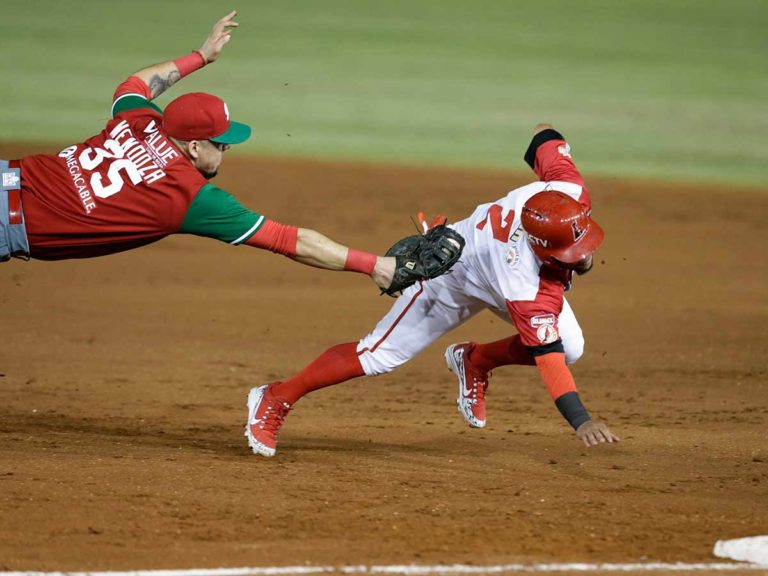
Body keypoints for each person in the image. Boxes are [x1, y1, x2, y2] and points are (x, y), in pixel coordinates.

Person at [245, 124, 621, 457]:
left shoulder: (568, 190)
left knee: (572, 345)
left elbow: (544, 137)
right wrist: (581, 421)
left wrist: (550, 137)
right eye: (571, 251)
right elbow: (548, 361)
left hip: (492, 270)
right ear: (540, 246)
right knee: (379, 355)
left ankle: (475, 360)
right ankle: (277, 396)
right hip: (453, 274)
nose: (584, 253)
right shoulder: (527, 286)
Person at [0, 11, 398, 292]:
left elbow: (134, 84)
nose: (225, 152)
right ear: (193, 146)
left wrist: (201, 57)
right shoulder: (188, 197)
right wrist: (374, 265)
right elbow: (289, 240)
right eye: (221, 144)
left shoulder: (138, 120)